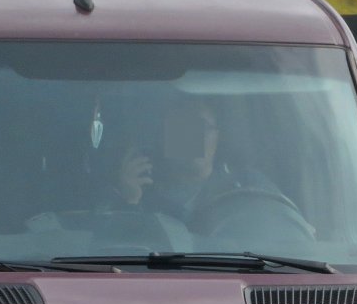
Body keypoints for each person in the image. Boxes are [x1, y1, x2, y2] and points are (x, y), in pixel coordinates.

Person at [111, 96, 283, 227]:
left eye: (202, 127)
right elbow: (114, 251)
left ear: (218, 136)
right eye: (182, 126)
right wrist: (129, 200)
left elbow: (286, 236)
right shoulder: (141, 189)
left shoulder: (249, 186)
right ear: (165, 137)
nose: (192, 135)